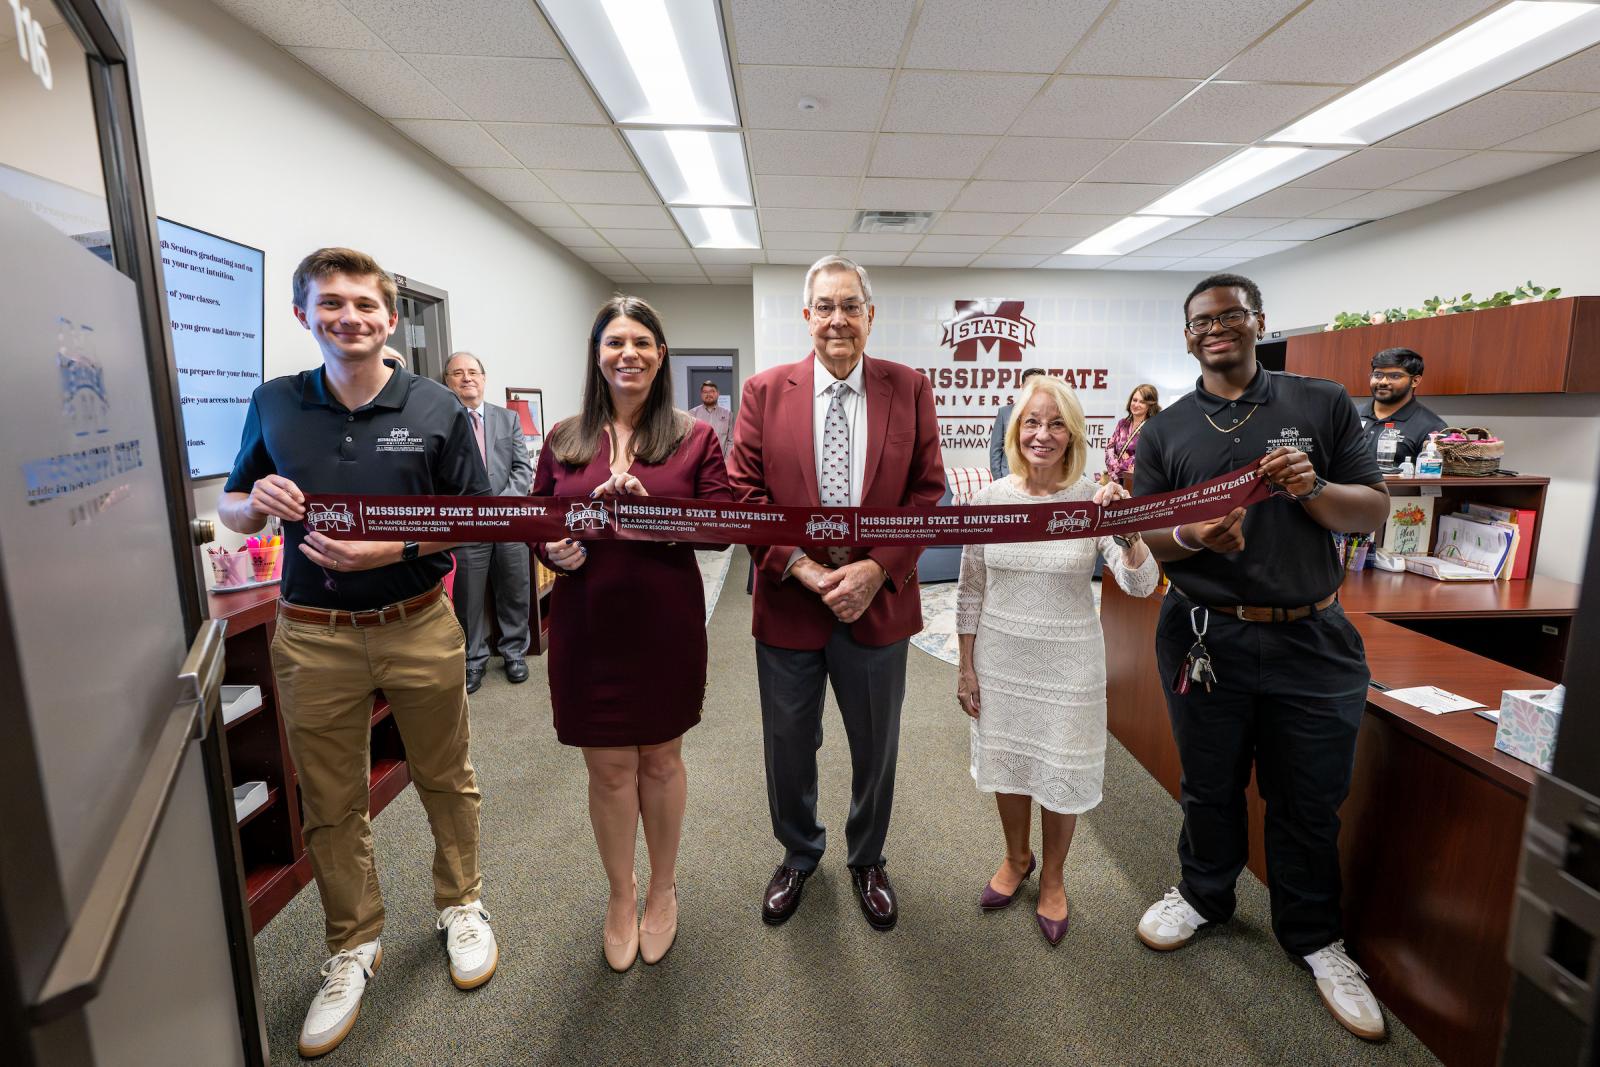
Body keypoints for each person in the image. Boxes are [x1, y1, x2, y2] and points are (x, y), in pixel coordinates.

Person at [219, 248, 497, 1058]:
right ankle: (354, 942)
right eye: (330, 303)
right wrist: (251, 502)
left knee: (446, 774)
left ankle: (462, 903)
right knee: (334, 800)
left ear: (389, 317)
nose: (350, 317)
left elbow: (476, 517)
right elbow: (237, 510)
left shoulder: (436, 405)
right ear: (304, 314)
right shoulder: (274, 403)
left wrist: (393, 547)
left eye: (365, 305)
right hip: (312, 635)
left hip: (416, 620)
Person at [1131, 273, 1391, 1041]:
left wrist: (1312, 490)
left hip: (1310, 638)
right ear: (1187, 336)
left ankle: (1314, 935)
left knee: (1308, 797)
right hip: (1205, 635)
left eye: (1232, 315)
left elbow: (1372, 510)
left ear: (1257, 322)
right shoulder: (1167, 429)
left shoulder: (1321, 404)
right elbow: (1149, 531)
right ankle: (1205, 893)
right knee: (1209, 783)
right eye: (1202, 320)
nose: (1217, 328)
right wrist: (1193, 537)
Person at [729, 255, 945, 931]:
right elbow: (744, 495)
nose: (838, 320)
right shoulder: (765, 392)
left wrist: (876, 570)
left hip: (877, 605)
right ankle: (799, 851)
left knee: (876, 742)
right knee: (789, 742)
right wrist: (803, 569)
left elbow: (926, 491)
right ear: (806, 316)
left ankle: (868, 855)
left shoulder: (908, 388)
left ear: (870, 315)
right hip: (792, 602)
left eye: (851, 305)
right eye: (825, 306)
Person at [531, 296, 731, 972]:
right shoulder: (564, 438)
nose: (629, 353)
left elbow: (722, 523)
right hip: (587, 623)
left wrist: (659, 512)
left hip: (664, 621)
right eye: (615, 341)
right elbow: (537, 518)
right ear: (597, 354)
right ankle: (622, 894)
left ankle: (664, 890)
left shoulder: (693, 436)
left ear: (661, 355)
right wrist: (550, 548)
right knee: (608, 767)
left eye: (643, 341)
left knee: (660, 760)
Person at [956, 374, 1157, 946]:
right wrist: (966, 665)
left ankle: (1055, 878)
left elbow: (1141, 585)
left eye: (1056, 424)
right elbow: (971, 588)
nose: (1042, 435)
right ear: (1015, 430)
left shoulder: (1094, 498)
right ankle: (1017, 859)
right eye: (1031, 423)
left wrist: (1127, 529)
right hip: (1002, 656)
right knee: (1011, 764)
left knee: (1060, 771)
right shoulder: (990, 499)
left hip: (1069, 662)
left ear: (1073, 434)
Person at [443, 350, 534, 694]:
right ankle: (473, 660)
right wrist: (475, 512)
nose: (466, 378)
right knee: (468, 597)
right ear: (447, 382)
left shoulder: (507, 418)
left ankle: (514, 653)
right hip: (467, 525)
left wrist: (499, 508)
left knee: (515, 586)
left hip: (508, 522)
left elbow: (522, 468)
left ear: (483, 378)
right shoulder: (444, 421)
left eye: (472, 372)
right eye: (457, 373)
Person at [1356, 347, 1447, 474]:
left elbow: (1433, 477)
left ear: (1415, 380)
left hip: (1396, 492)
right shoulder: (1351, 414)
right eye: (1377, 375)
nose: (1383, 382)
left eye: (1395, 376)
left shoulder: (1432, 427)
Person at [988, 367, 1045, 484]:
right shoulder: (1004, 412)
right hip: (1008, 478)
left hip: (1040, 481)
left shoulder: (1050, 414)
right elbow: (995, 450)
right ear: (1022, 386)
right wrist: (999, 481)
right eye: (1030, 385)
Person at [1102, 383, 1160, 485]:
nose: (1136, 404)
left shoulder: (1152, 428)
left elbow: (1144, 457)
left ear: (1150, 405)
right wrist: (1114, 470)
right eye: (1134, 400)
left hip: (1136, 482)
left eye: (1142, 402)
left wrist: (1119, 469)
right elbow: (1110, 447)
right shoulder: (1122, 423)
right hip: (1114, 479)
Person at [690, 379, 733, 458]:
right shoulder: (692, 414)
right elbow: (689, 440)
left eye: (712, 391)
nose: (708, 394)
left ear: (718, 393)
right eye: (705, 392)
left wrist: (727, 461)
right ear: (701, 394)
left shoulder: (728, 414)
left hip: (720, 462)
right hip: (699, 462)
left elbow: (731, 440)